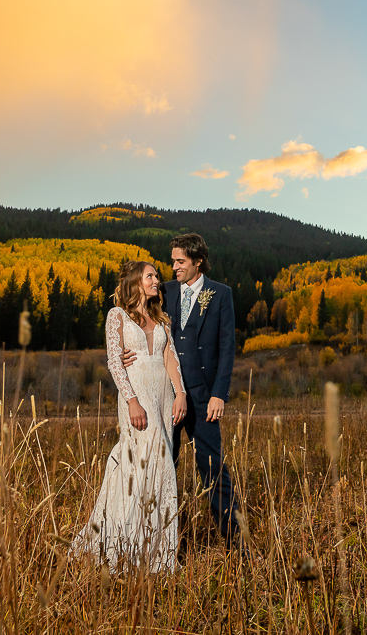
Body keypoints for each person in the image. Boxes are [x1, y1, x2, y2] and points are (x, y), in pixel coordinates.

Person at [123, 232, 239, 546]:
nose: (174, 267)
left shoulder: (220, 294)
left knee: (212, 468)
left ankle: (234, 540)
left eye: (180, 261)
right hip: (164, 397)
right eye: (172, 261)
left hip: (203, 397)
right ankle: (160, 540)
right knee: (162, 467)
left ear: (198, 261)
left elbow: (227, 348)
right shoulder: (166, 291)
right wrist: (125, 349)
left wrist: (219, 393)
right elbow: (135, 314)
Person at [73, 261, 188, 572]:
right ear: (137, 281)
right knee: (138, 462)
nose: (156, 280)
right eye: (150, 276)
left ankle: (159, 555)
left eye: (156, 276)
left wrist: (181, 394)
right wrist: (132, 401)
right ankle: (123, 544)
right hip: (137, 397)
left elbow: (170, 357)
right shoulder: (118, 317)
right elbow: (114, 361)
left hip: (163, 397)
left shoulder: (162, 319)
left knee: (161, 466)